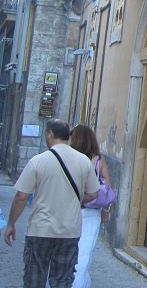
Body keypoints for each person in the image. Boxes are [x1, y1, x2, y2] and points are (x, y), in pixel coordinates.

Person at [3, 119, 99, 288]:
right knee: (62, 281)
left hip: (40, 230)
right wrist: (74, 198)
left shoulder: (38, 161)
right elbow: (93, 194)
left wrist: (11, 224)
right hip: (69, 231)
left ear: (50, 134)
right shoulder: (84, 161)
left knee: (34, 280)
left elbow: (21, 196)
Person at [69, 124, 112, 288]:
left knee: (66, 253)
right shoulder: (98, 160)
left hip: (70, 211)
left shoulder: (69, 158)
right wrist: (105, 210)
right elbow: (107, 187)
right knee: (84, 256)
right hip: (91, 213)